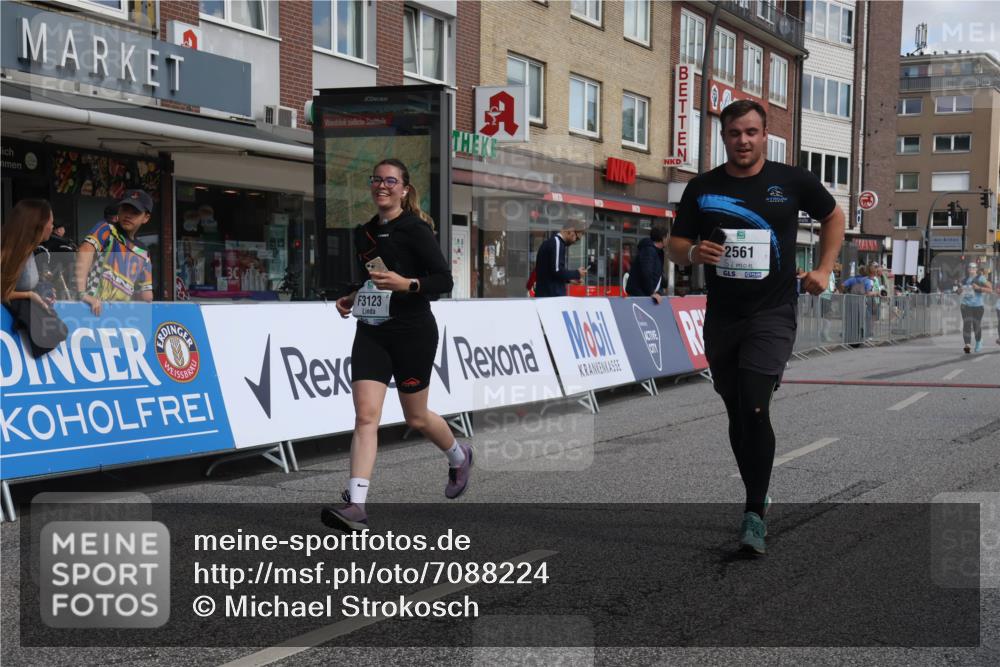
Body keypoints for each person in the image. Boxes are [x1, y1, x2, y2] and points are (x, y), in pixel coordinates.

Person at [667, 99, 845, 555]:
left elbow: (833, 216)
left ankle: (753, 514)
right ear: (723, 136)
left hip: (773, 312)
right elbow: (676, 243)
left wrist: (824, 268)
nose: (742, 141)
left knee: (755, 406)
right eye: (734, 133)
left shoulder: (792, 181)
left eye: (751, 132)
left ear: (765, 135)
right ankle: (758, 492)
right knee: (736, 411)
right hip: (723, 316)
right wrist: (693, 253)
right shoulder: (703, 188)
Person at [321, 158, 466, 533]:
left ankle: (458, 455)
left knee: (416, 418)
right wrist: (352, 297)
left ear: (404, 189)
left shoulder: (416, 229)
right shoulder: (366, 233)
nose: (382, 186)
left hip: (413, 332)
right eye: (377, 180)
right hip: (373, 331)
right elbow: (373, 280)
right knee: (365, 416)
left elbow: (443, 281)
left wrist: (408, 284)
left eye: (390, 180)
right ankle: (357, 506)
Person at [75, 189, 154, 315]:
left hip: (118, 315)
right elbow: (85, 250)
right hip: (91, 309)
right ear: (119, 210)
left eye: (135, 212)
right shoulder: (107, 229)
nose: (128, 215)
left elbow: (147, 296)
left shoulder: (144, 252)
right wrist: (82, 293)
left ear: (146, 217)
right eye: (125, 209)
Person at [2, 199, 55, 309]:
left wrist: (42, 291)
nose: (52, 227)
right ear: (39, 225)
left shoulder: (28, 250)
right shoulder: (12, 252)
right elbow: (3, 292)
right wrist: (29, 295)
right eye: (50, 223)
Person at [533, 215, 587, 297]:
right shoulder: (557, 243)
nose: (575, 241)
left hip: (546, 296)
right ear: (571, 230)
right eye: (577, 238)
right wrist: (577, 273)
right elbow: (557, 270)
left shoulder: (551, 242)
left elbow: (550, 273)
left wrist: (570, 280)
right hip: (552, 297)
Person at [35, 222, 78, 301]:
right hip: (51, 277)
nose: (65, 231)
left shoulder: (49, 241)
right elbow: (71, 257)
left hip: (49, 277)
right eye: (63, 229)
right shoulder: (60, 242)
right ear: (58, 230)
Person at [626, 227, 667, 303]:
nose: (668, 240)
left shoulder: (658, 252)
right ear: (663, 238)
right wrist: (651, 292)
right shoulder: (648, 250)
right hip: (640, 296)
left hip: (646, 295)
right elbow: (647, 272)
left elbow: (657, 274)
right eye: (667, 237)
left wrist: (660, 290)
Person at [958, 262, 991, 353]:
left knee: (976, 325)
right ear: (968, 269)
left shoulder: (981, 278)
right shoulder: (964, 279)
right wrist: (960, 290)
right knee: (967, 324)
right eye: (970, 268)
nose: (971, 269)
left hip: (978, 305)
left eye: (973, 268)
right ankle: (967, 344)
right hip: (965, 304)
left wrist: (979, 288)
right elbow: (958, 292)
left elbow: (990, 289)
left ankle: (978, 341)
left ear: (976, 269)